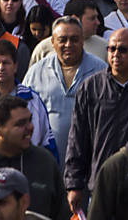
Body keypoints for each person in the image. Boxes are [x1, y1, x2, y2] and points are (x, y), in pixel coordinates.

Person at [64, 28, 128, 213]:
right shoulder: (91, 87)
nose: (115, 55)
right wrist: (74, 184)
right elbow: (77, 138)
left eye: (122, 50)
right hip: (101, 183)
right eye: (111, 49)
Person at [22, 16, 107, 164]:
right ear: (53, 42)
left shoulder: (101, 70)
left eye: (74, 39)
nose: (68, 44)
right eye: (62, 39)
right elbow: (22, 111)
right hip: (46, 160)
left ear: (82, 41)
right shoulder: (36, 72)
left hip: (89, 159)